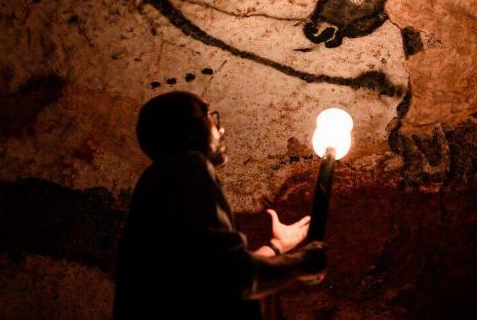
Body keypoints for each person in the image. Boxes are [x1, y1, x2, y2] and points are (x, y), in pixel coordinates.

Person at [113, 91, 326, 319]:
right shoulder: (187, 167)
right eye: (209, 116)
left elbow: (209, 276)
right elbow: (232, 276)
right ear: (188, 130)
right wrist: (303, 262)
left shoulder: (161, 184)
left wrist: (276, 246)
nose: (221, 129)